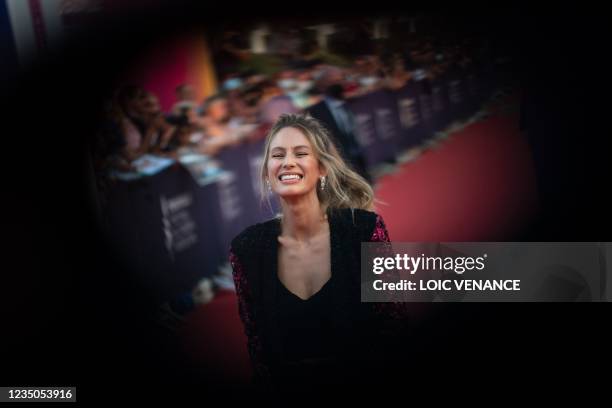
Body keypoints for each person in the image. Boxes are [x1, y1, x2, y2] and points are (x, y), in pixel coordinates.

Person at [229, 113, 407, 396]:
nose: (287, 162)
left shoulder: (362, 229)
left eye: (301, 153)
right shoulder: (246, 248)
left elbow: (394, 325)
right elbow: (258, 349)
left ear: (321, 167)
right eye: (277, 155)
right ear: (266, 172)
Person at [307, 66, 371, 182]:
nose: (340, 84)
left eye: (341, 79)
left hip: (361, 157)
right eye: (334, 81)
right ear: (324, 86)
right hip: (340, 165)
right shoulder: (316, 111)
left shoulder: (353, 100)